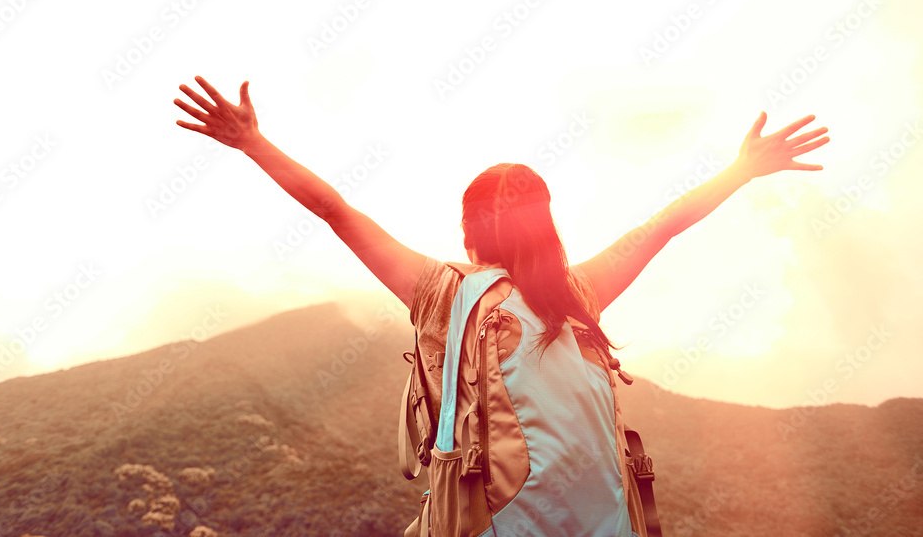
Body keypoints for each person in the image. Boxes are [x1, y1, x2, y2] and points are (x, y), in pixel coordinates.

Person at [173, 75, 830, 535]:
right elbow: (659, 227)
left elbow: (337, 212)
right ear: (546, 228)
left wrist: (252, 142)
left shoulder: (445, 292)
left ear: (468, 232)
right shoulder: (579, 294)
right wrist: (742, 169)